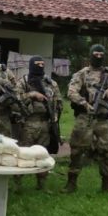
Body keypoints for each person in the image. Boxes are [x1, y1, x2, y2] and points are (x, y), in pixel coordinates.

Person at [65, 44, 108, 193]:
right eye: (95, 54)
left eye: (101, 55)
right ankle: (71, 183)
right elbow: (71, 92)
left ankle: (107, 185)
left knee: (107, 153)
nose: (98, 57)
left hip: (104, 121)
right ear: (90, 56)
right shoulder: (82, 74)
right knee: (76, 151)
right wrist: (84, 103)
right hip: (85, 117)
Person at [16, 56, 62, 190]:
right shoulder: (24, 81)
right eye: (37, 64)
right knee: (24, 153)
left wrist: (55, 115)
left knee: (43, 154)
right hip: (29, 123)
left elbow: (59, 101)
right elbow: (16, 98)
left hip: (45, 124)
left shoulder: (50, 83)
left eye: (42, 64)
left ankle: (42, 185)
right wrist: (31, 95)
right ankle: (18, 184)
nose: (40, 66)